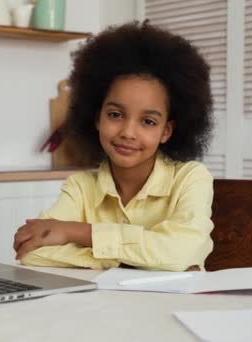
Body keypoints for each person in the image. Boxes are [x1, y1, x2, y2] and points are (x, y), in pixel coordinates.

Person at [13, 21, 215, 272]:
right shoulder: (81, 187)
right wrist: (132, 259)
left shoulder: (191, 179)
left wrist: (75, 232)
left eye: (148, 121)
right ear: (97, 118)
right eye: (116, 115)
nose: (128, 133)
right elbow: (32, 251)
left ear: (166, 131)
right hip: (100, 310)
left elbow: (181, 252)